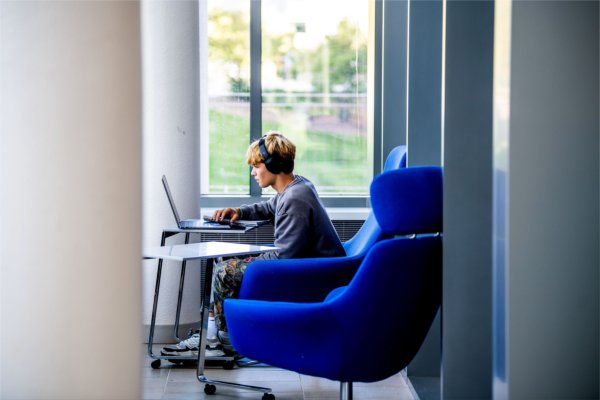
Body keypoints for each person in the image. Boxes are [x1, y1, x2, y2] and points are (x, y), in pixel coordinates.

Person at [161, 132, 345, 358]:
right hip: (312, 267)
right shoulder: (297, 187)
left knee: (225, 271)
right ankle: (213, 332)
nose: (253, 172)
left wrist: (244, 255)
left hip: (312, 276)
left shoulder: (295, 199)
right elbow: (269, 207)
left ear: (273, 164)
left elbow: (285, 257)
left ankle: (218, 341)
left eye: (256, 166)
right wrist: (239, 212)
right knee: (224, 262)